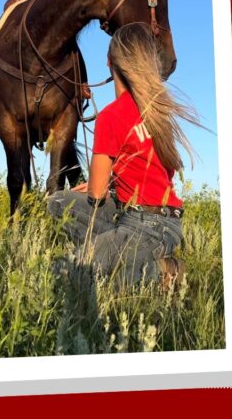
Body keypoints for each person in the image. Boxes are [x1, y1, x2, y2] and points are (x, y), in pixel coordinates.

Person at [47, 22, 199, 285]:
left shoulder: (111, 116)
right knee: (59, 202)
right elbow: (160, 173)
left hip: (144, 225)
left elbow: (96, 193)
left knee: (67, 271)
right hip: (166, 223)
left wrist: (100, 185)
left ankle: (162, 273)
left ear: (109, 62)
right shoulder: (160, 113)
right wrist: (116, 186)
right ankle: (119, 253)